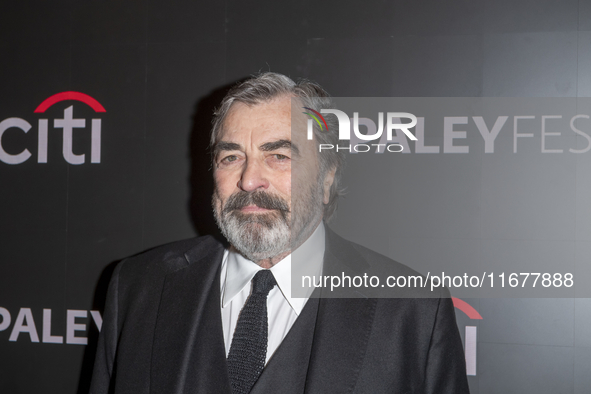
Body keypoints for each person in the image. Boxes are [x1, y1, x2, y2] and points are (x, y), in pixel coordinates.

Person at [89, 72, 469, 394]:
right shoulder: (138, 286)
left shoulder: (412, 310)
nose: (250, 179)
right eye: (231, 156)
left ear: (326, 178)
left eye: (279, 155)